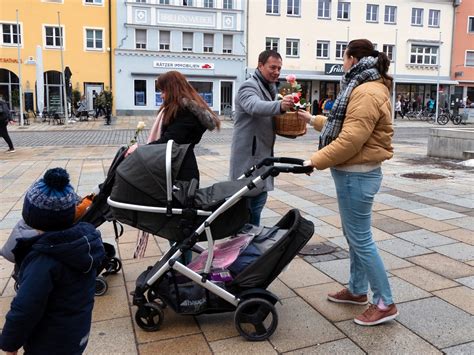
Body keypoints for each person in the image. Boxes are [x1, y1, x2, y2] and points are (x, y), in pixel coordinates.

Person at [299, 39, 398, 326]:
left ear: (353, 59)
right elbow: (342, 123)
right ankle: (357, 291)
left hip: (358, 174)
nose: (342, 62)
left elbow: (351, 139)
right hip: (353, 173)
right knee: (354, 235)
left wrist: (314, 160)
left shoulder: (366, 91)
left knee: (361, 239)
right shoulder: (364, 86)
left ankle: (384, 302)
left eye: (343, 57)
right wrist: (312, 119)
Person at [0, 167, 105, 354]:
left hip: (48, 341)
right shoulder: (84, 243)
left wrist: (10, 343)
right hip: (77, 333)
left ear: (30, 216)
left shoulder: (43, 259)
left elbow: (25, 308)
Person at [229, 49, 294, 226]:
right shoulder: (249, 86)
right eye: (273, 67)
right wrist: (279, 105)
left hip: (262, 158)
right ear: (260, 65)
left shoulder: (269, 87)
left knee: (256, 209)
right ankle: (243, 248)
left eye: (279, 68)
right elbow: (255, 106)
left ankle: (250, 246)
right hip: (248, 159)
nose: (277, 72)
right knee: (245, 212)